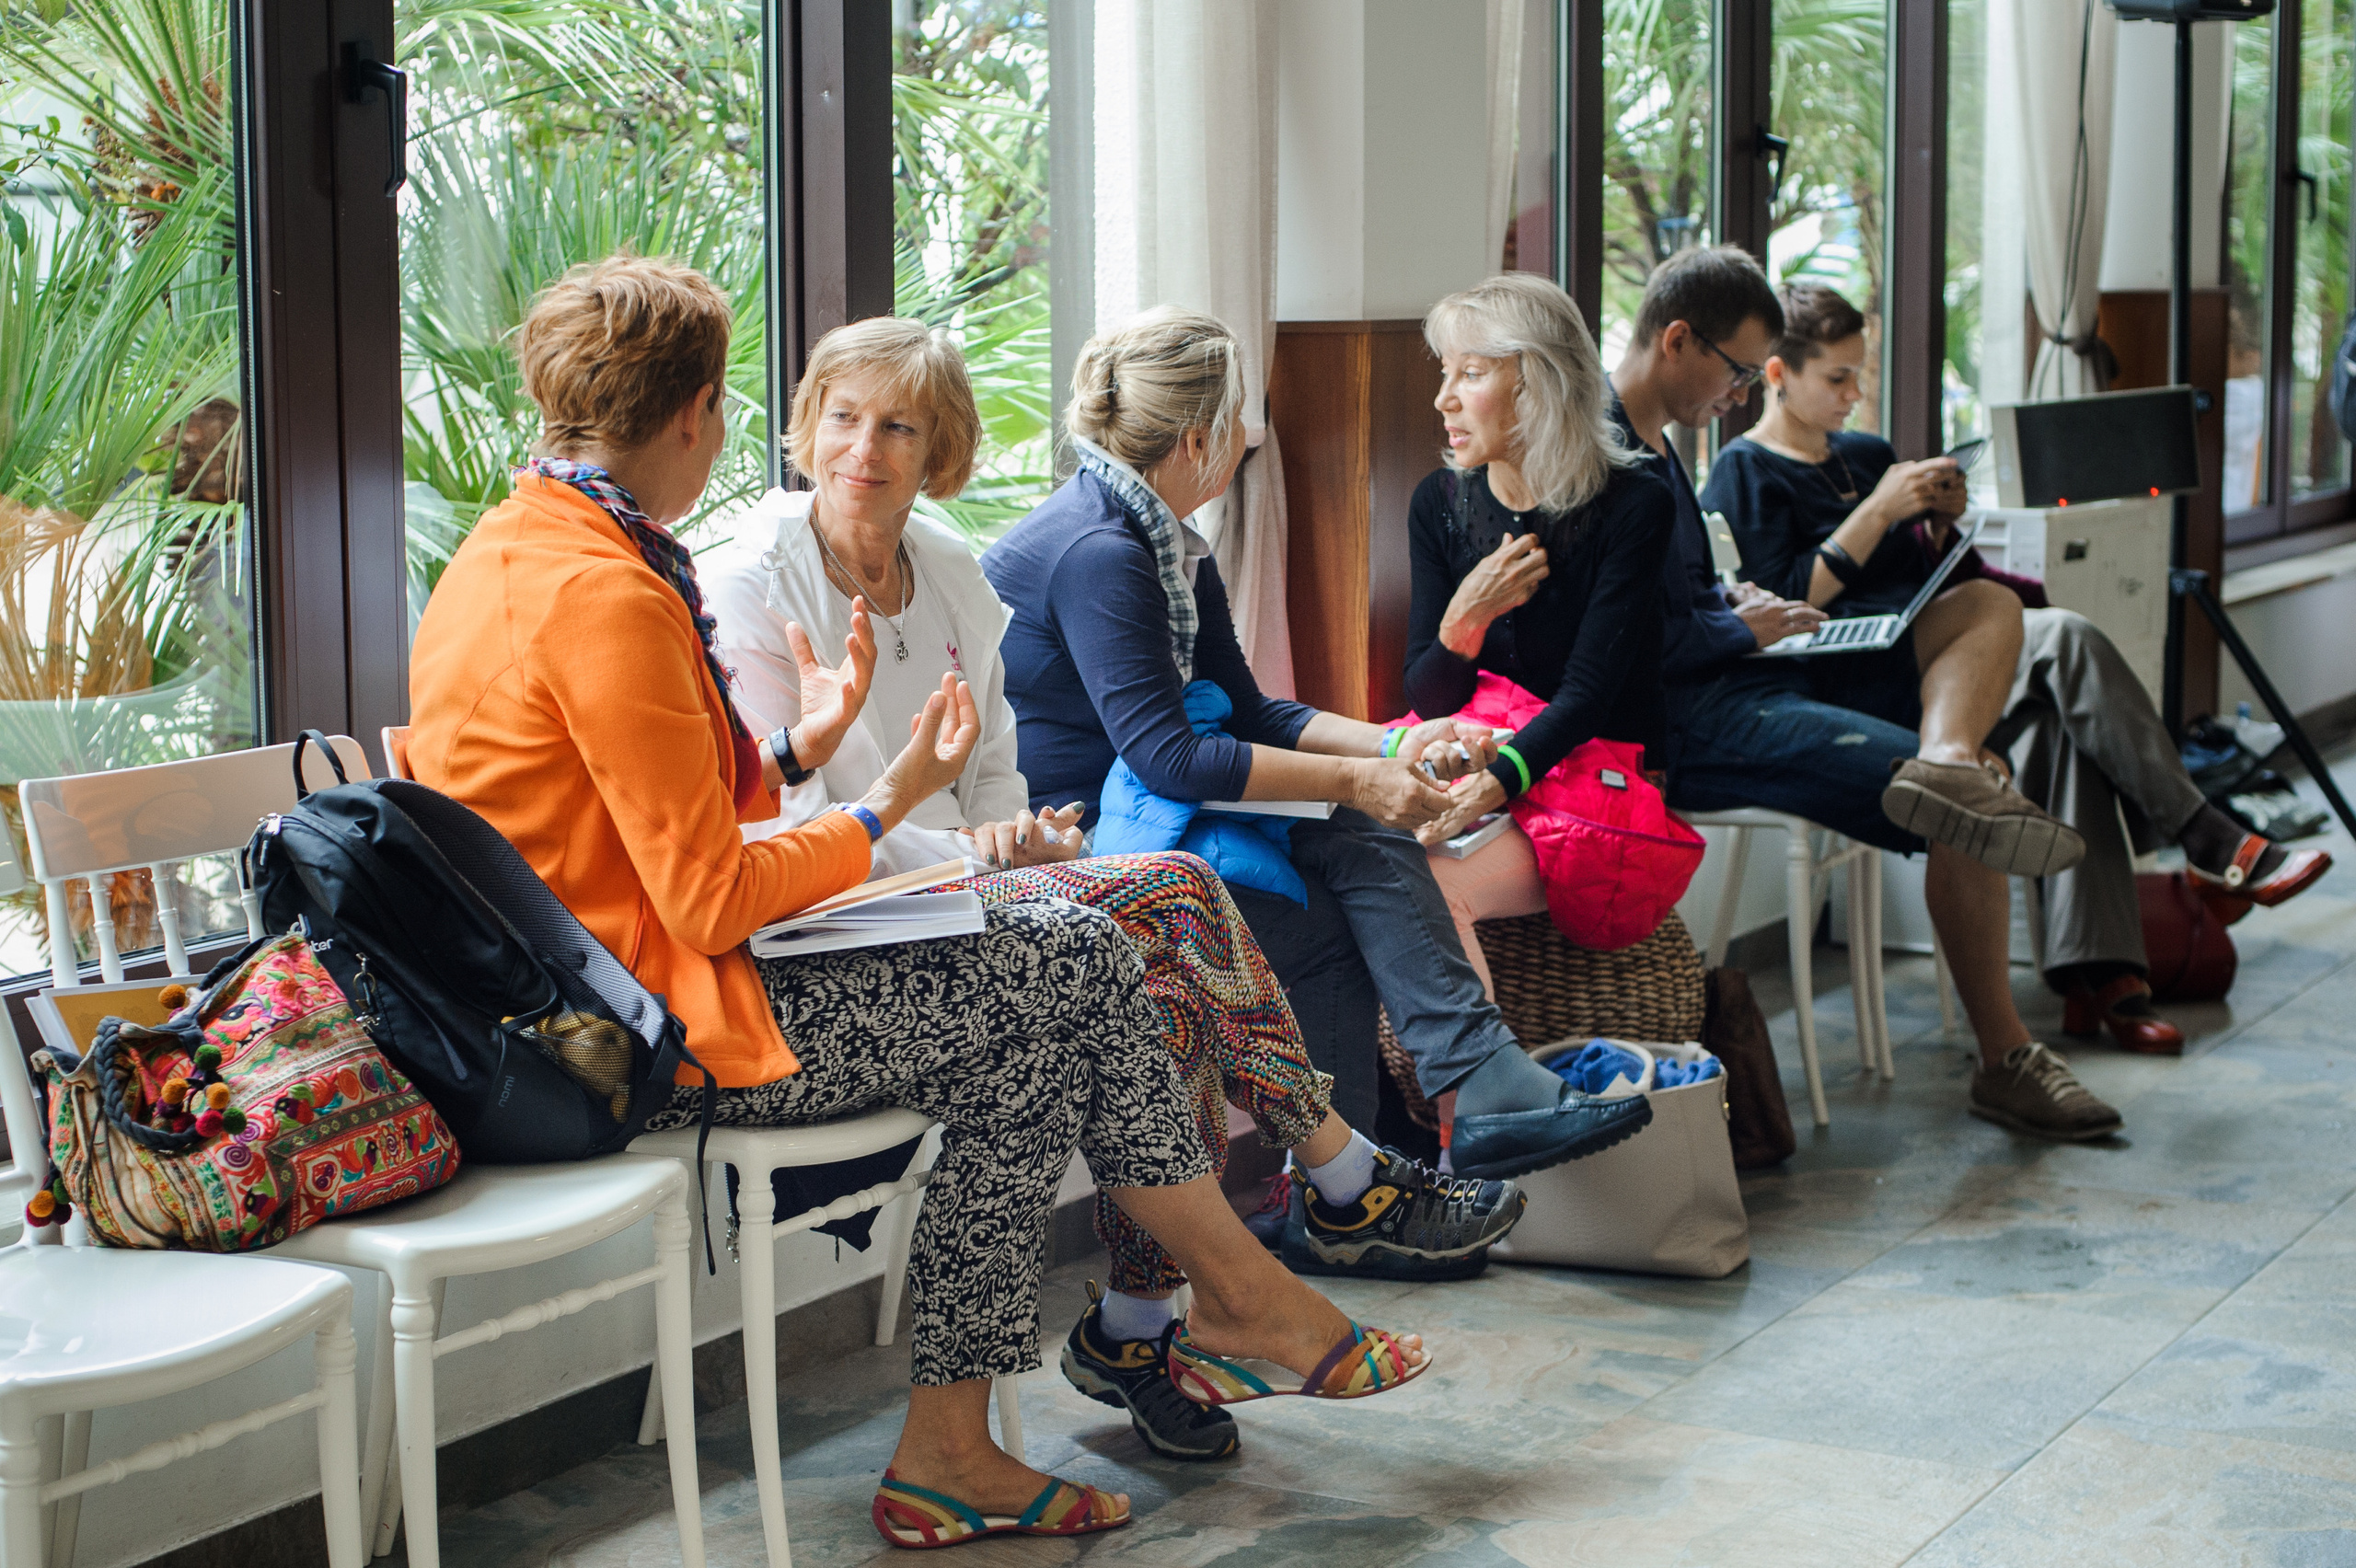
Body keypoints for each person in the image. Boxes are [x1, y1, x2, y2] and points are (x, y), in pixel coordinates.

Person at [406, 256, 1431, 1550]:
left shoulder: (526, 544)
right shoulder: (606, 587)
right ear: (695, 414)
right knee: (1074, 964)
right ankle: (1230, 1293)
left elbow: (642, 811)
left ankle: (967, 1445)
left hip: (626, 984)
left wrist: (793, 755)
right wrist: (883, 798)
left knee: (1049, 1017)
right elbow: (713, 894)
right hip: (644, 1036)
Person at [701, 315, 1523, 1462]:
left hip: (961, 897)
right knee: (1168, 904)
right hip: (825, 929)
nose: (866, 449)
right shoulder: (746, 580)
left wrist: (1009, 834)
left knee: (1159, 965)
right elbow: (774, 823)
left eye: (900, 425)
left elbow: (990, 763)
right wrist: (970, 854)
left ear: (941, 447)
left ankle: (1154, 1314)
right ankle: (1329, 1190)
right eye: (843, 418)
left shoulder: (945, 565)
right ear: (803, 430)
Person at [982, 306, 1657, 1182]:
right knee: (1332, 902)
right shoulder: (1101, 551)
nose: (1251, 440)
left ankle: (1417, 1137)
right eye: (1244, 422)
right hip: (1083, 843)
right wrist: (1360, 779)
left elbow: (1253, 713)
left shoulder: (1160, 538)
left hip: (1155, 812)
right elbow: (1173, 759)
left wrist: (1396, 749)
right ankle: (1365, 1183)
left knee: (1367, 845)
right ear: (1200, 440)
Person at [1706, 281, 2331, 1052]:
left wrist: (1937, 518)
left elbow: (1921, 573)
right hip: (1861, 679)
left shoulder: (1866, 454)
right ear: (1776, 376)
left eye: (1858, 374)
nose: (1854, 394)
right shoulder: (1744, 471)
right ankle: (2204, 836)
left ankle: (2101, 979)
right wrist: (1877, 513)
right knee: (2064, 635)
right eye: (1836, 378)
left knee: (2059, 734)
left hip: (1950, 667)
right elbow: (1790, 603)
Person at [1611, 244, 2123, 1141]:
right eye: (1736, 372)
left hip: (1741, 683)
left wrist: (1733, 601)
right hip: (1694, 721)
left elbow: (1671, 600)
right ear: (1677, 341)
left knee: (1962, 772)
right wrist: (1738, 625)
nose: (1740, 396)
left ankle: (2003, 1049)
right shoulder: (1615, 459)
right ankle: (2004, 1059)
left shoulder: (1657, 450)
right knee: (1961, 795)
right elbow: (1626, 645)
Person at [1401, 272, 1678, 990]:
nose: (1444, 399)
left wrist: (1493, 785)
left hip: (1591, 773)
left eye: (1471, 372)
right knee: (1339, 855)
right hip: (1475, 759)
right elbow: (1428, 698)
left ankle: (1483, 1105)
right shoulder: (1439, 504)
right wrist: (1467, 616)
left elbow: (1588, 696)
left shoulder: (1635, 505)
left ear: (1538, 384)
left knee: (1437, 888)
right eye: (1445, 373)